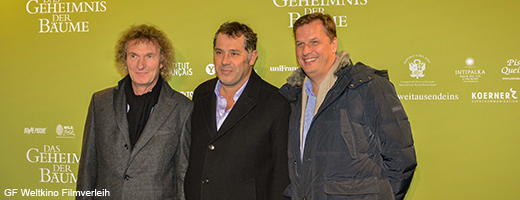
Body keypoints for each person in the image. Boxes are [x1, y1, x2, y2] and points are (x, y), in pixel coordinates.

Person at [279, 13, 417, 200]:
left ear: (333, 45)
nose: (305, 51)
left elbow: (401, 160)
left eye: (314, 42)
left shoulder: (368, 86)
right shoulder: (290, 96)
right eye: (300, 44)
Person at [76, 24, 193, 200]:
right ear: (125, 60)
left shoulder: (182, 108)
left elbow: (182, 176)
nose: (141, 65)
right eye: (134, 56)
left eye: (149, 56)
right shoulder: (100, 102)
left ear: (162, 61)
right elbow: (87, 168)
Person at [184, 21, 291, 200]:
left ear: (252, 57)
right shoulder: (201, 94)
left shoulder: (275, 103)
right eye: (219, 53)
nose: (225, 61)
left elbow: (281, 174)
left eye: (234, 53)